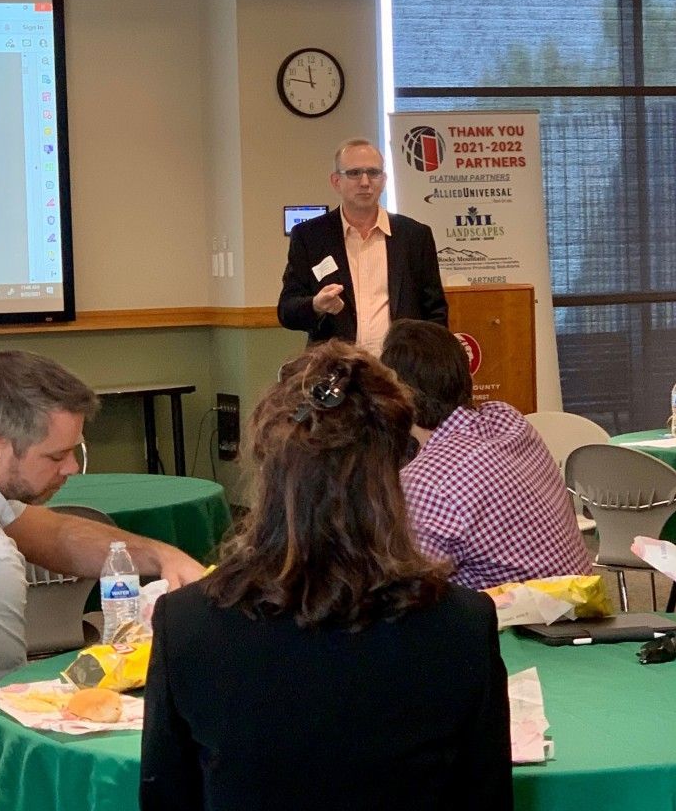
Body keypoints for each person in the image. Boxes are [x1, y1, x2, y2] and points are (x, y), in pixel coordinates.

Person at [141, 340, 513, 811]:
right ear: (395, 474)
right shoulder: (462, 626)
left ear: (266, 472)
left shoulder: (186, 624)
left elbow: (166, 800)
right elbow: (487, 799)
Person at [0, 350, 205, 686]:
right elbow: (3, 704)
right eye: (57, 455)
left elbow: (53, 535)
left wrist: (161, 555)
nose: (72, 467)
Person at [381, 319, 593, 591]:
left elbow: (411, 592)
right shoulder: (509, 420)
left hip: (521, 626)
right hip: (585, 606)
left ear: (397, 394)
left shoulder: (426, 482)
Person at [277, 138, 448, 355]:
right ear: (336, 181)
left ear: (384, 180)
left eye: (373, 173)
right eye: (355, 173)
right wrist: (316, 305)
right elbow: (287, 310)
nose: (365, 182)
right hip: (338, 370)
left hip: (401, 371)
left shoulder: (414, 236)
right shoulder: (310, 237)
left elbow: (435, 311)